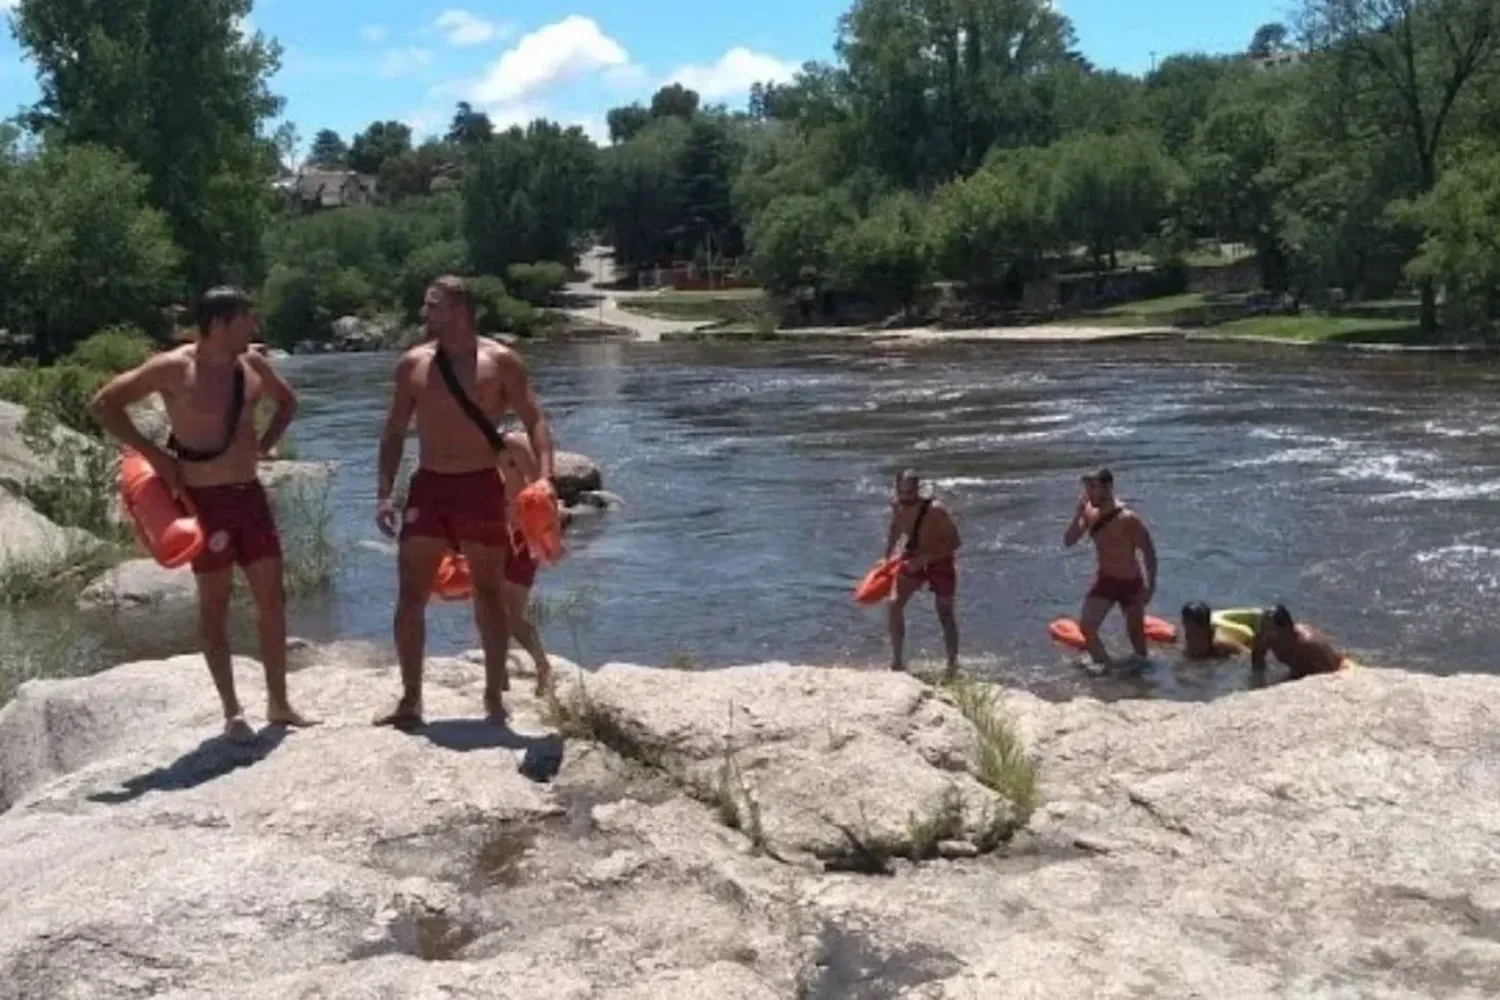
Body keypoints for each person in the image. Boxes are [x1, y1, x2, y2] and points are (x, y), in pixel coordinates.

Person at [87, 286, 317, 743]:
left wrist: (266, 444)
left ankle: (280, 702)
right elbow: (103, 405)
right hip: (203, 503)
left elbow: (288, 402)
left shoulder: (252, 364)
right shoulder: (174, 368)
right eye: (246, 321)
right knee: (215, 606)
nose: (254, 329)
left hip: (249, 495)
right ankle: (232, 711)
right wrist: (155, 455)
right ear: (218, 324)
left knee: (274, 599)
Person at [374, 275, 555, 728]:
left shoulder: (501, 361)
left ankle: (494, 695)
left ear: (460, 310)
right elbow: (394, 431)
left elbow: (534, 417)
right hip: (430, 486)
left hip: (479, 486)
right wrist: (383, 493)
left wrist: (546, 479)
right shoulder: (412, 365)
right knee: (410, 594)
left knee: (491, 594)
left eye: (433, 305)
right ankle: (411, 699)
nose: (425, 313)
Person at [1063, 468, 1158, 666]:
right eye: (1086, 487)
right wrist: (1078, 514)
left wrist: (1150, 587)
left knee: (1137, 641)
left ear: (1108, 487)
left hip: (1130, 583)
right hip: (1105, 580)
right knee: (1087, 627)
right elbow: (1069, 541)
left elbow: (1149, 553)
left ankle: (1143, 685)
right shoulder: (1090, 513)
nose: (1088, 492)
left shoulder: (1128, 519)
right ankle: (1107, 668)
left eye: (1093, 486)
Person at [495, 428, 557, 698]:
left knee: (511, 613)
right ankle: (500, 673)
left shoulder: (512, 445)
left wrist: (547, 537)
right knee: (488, 607)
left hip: (521, 537)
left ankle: (543, 668)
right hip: (489, 537)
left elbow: (540, 490)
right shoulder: (468, 446)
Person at [884, 470, 961, 676]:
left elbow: (956, 543)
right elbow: (895, 531)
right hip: (912, 557)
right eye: (901, 492)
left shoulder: (936, 510)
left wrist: (925, 559)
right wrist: (886, 560)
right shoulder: (897, 505)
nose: (905, 498)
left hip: (940, 560)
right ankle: (897, 661)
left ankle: (952, 665)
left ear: (918, 490)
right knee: (894, 604)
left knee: (944, 612)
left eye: (909, 493)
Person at [1252, 604, 1348, 681]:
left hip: (1334, 667)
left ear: (1287, 629)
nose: (1267, 637)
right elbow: (1257, 660)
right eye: (1264, 630)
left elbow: (1330, 671)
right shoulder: (1266, 637)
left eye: (1271, 631)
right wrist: (1258, 681)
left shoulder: (1308, 646)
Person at [1180, 601, 1250, 660]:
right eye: (1188, 634)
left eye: (1196, 635)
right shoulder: (1183, 640)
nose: (1191, 641)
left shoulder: (1221, 642)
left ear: (1207, 630)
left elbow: (1247, 654)